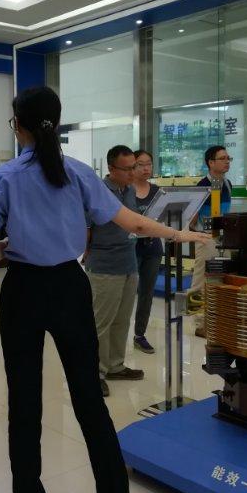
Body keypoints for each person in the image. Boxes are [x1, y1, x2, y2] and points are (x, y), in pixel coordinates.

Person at [0, 86, 210, 493]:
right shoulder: (79, 172)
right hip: (70, 285)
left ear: (19, 126)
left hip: (23, 290)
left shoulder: (3, 177)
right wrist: (181, 235)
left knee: (24, 401)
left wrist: (12, 246)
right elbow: (134, 223)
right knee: (88, 398)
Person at [86, 145, 142, 397]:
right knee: (101, 323)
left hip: (129, 263)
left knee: (122, 320)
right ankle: (95, 373)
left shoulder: (129, 190)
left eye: (134, 167)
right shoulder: (97, 191)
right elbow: (86, 230)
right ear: (111, 168)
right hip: (104, 267)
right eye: (127, 169)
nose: (133, 173)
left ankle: (115, 366)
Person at [189, 145, 233, 298]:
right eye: (222, 158)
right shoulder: (202, 186)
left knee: (222, 279)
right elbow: (191, 219)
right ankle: (196, 311)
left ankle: (217, 310)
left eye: (228, 158)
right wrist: (199, 236)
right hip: (206, 237)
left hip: (225, 237)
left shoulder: (228, 184)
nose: (227, 161)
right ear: (211, 163)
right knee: (200, 281)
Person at [132, 150, 163, 354]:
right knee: (126, 293)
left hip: (152, 248)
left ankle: (139, 335)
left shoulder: (158, 191)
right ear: (132, 167)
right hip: (131, 248)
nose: (146, 168)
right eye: (141, 164)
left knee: (147, 293)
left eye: (149, 164)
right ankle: (114, 337)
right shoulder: (125, 191)